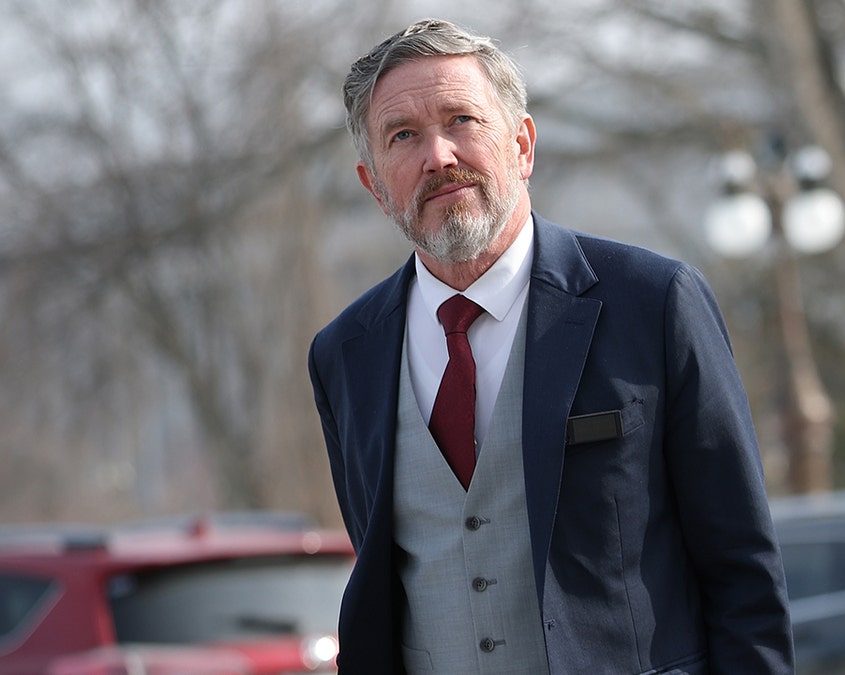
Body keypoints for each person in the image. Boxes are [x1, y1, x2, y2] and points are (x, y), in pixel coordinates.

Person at [308, 18, 793, 674]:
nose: (439, 156)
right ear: (373, 184)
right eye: (404, 136)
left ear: (523, 144)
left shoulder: (653, 304)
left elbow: (744, 576)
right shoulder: (345, 355)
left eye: (462, 120)